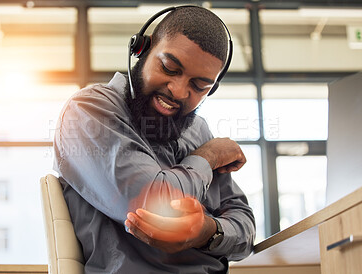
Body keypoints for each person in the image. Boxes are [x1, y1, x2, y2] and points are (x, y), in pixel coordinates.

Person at [53, 5, 255, 274]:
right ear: (142, 50)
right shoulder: (89, 111)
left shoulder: (199, 130)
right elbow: (156, 205)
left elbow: (245, 228)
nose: (179, 91)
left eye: (199, 86)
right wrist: (208, 157)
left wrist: (207, 232)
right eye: (170, 68)